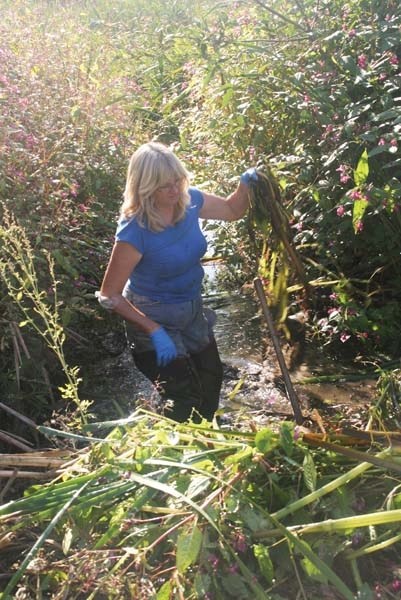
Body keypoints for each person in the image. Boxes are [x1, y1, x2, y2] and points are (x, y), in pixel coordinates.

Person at [96, 141, 257, 422]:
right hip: (153, 314)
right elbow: (109, 295)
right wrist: (154, 330)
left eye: (177, 181)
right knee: (183, 396)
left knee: (212, 378)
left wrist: (245, 186)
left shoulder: (190, 200)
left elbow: (233, 211)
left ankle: (207, 438)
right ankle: (179, 448)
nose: (174, 190)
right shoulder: (135, 230)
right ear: (145, 187)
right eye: (164, 186)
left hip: (192, 310)